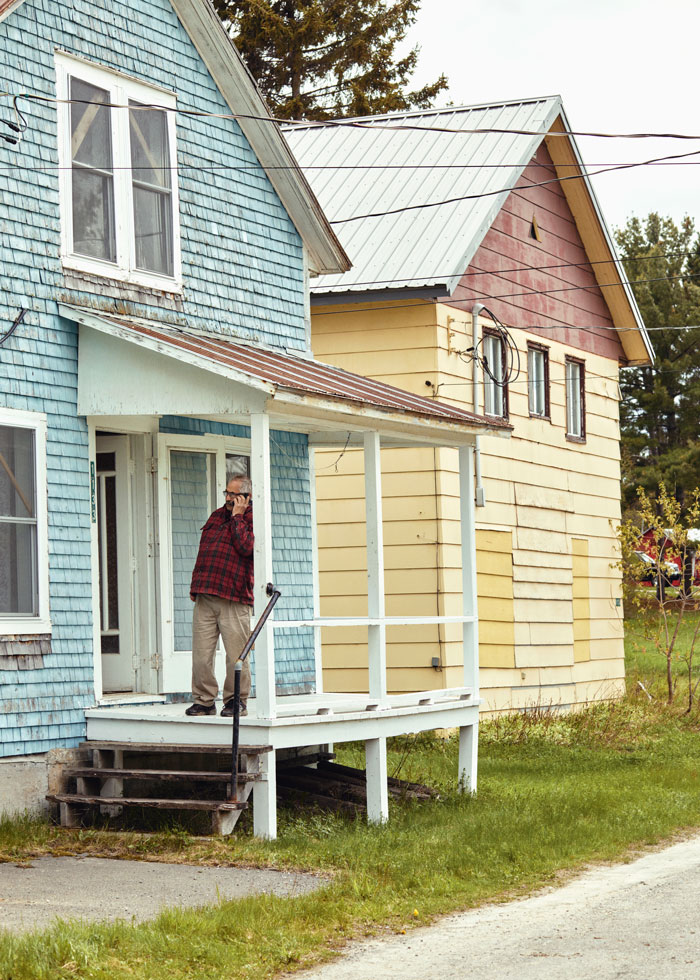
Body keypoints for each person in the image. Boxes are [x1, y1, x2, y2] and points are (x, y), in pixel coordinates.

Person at [185, 475, 254, 717]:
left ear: (246, 497)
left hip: (234, 598)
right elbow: (204, 550)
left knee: (236, 655)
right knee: (201, 655)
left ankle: (236, 701)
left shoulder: (253, 519)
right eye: (226, 493)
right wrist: (196, 586)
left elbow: (246, 548)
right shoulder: (216, 516)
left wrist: (237, 516)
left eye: (233, 495)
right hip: (206, 594)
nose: (227, 498)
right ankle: (204, 700)